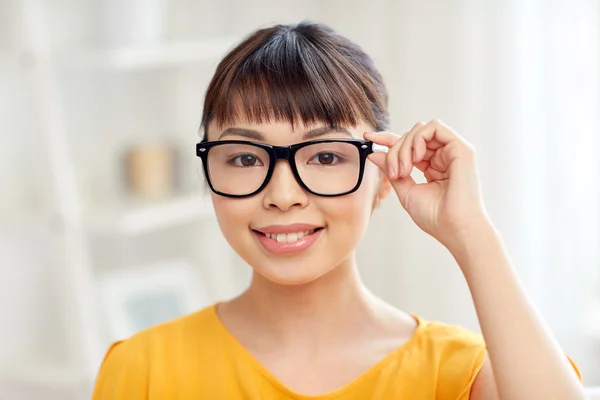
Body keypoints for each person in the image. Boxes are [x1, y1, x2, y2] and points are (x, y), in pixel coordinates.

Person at [92, 21, 584, 399]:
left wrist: (471, 232)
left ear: (385, 175)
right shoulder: (143, 369)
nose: (283, 195)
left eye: (325, 156)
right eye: (244, 158)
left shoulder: (456, 371)